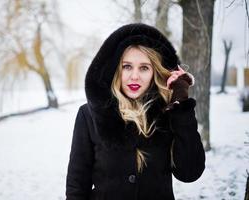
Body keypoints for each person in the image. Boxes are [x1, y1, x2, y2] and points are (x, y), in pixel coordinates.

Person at [65, 23, 205, 200]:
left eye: (144, 68)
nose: (134, 76)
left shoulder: (169, 113)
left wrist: (180, 102)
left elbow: (189, 173)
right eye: (127, 66)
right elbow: (77, 185)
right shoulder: (90, 115)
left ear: (155, 71)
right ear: (116, 70)